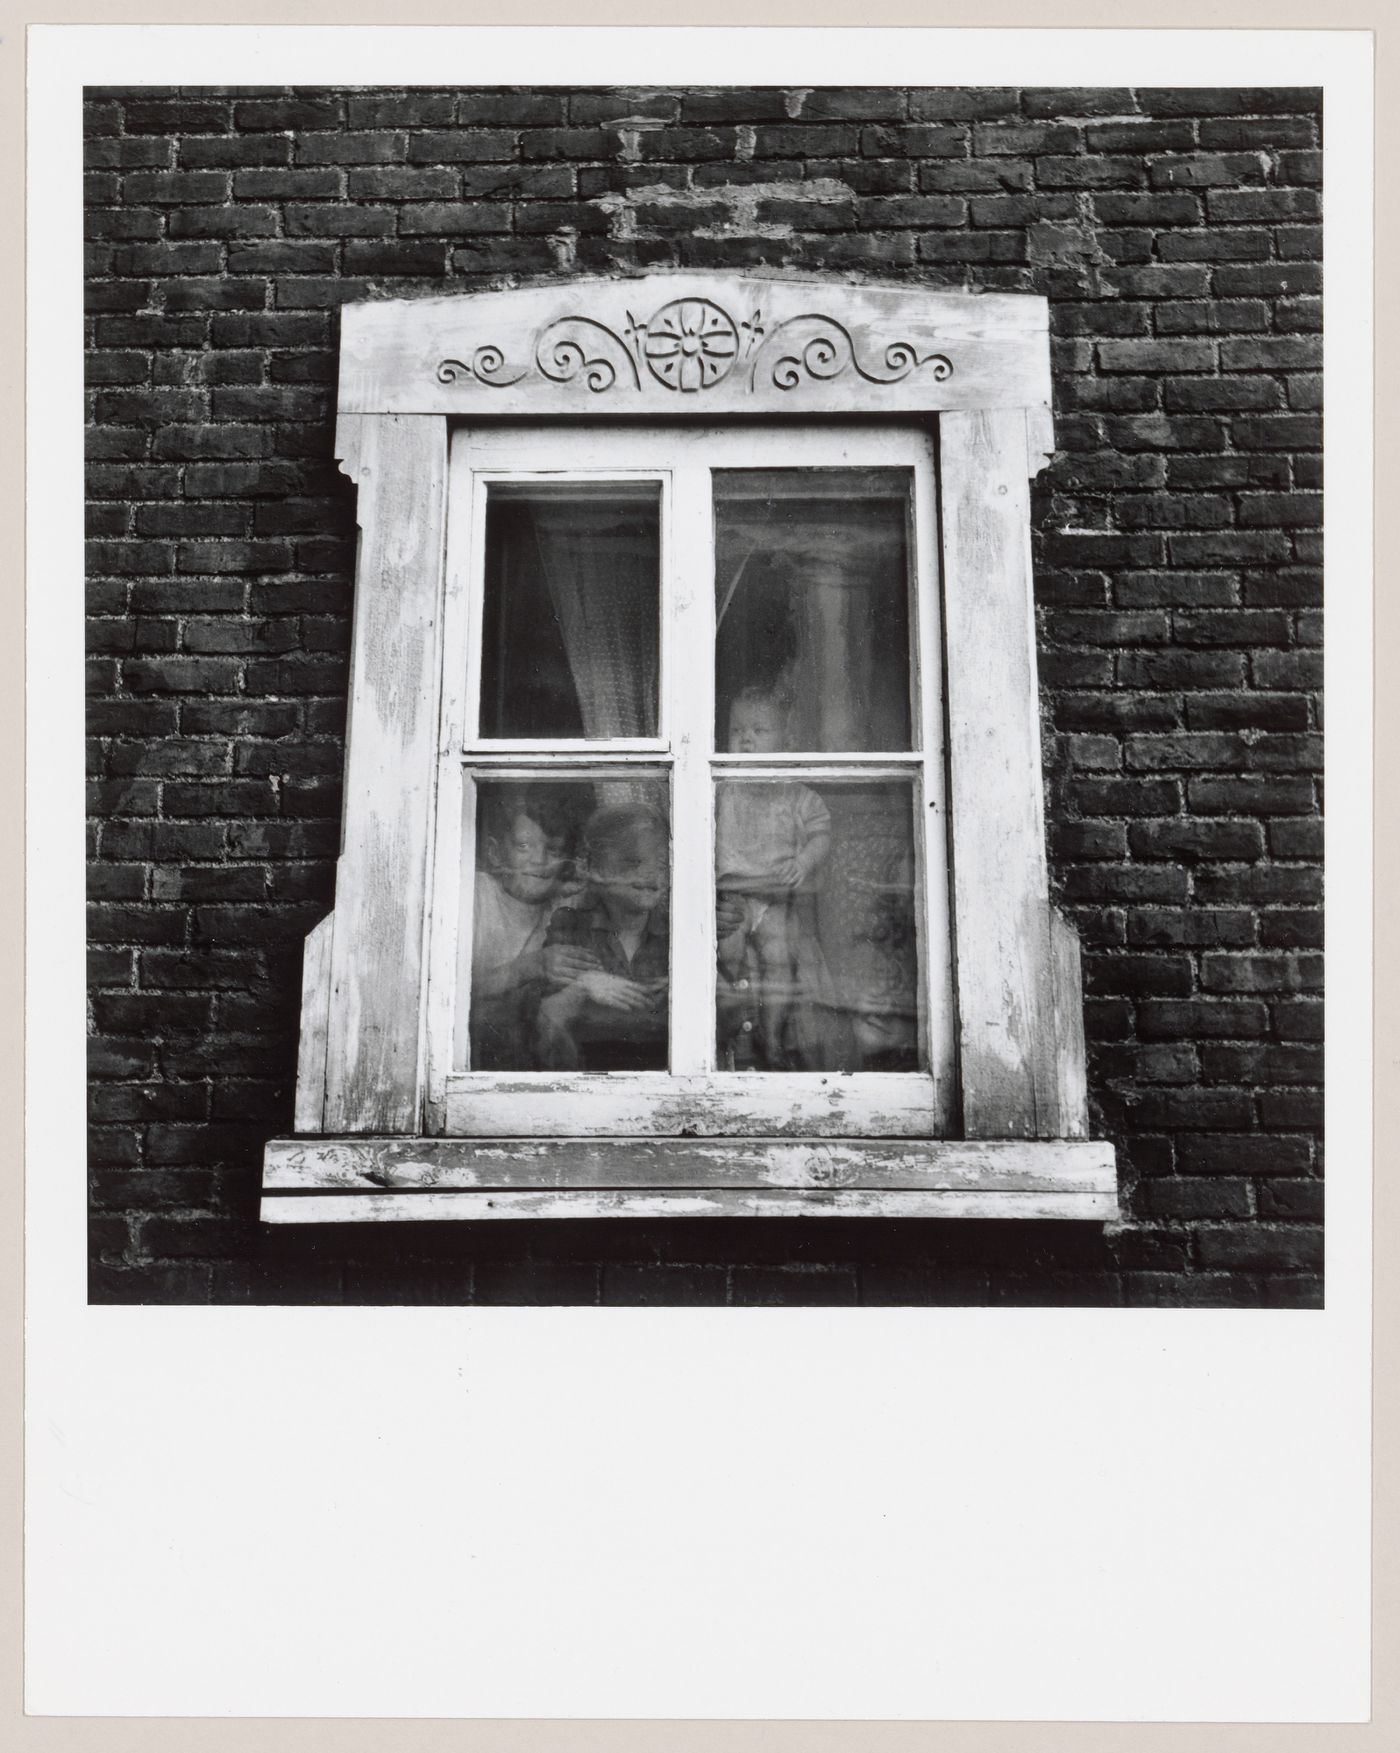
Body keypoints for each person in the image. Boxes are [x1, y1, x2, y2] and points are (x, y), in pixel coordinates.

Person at [714, 686, 832, 1070]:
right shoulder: (720, 790)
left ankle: (772, 1033)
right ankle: (730, 1034)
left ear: (787, 740)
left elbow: (820, 833)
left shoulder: (797, 796)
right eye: (737, 730)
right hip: (730, 896)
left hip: (775, 898)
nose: (745, 738)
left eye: (759, 730)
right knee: (727, 957)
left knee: (779, 960)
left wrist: (803, 861)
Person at [536, 802, 671, 1071]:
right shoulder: (570, 927)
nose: (652, 875)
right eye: (633, 862)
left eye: (661, 864)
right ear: (597, 867)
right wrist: (582, 989)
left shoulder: (680, 932)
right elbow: (544, 1031)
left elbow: (728, 1024)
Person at [468, 789, 579, 1069]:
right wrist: (529, 967)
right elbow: (452, 990)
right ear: (494, 852)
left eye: (553, 850)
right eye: (523, 846)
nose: (539, 861)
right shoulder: (476, 894)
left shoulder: (563, 905)